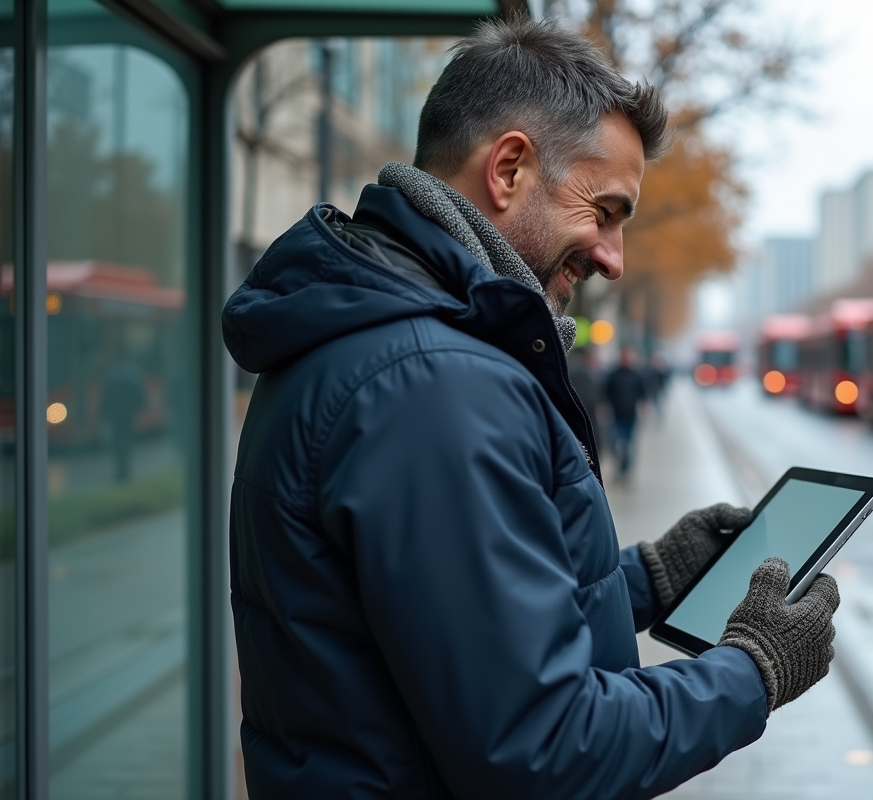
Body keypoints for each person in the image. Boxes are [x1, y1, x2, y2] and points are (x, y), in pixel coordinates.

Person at [223, 18, 838, 800]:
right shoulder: (437, 382)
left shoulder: (389, 343)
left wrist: (646, 578)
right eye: (605, 210)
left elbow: (447, 613)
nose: (614, 259)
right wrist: (752, 670)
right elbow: (541, 748)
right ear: (509, 168)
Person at [605, 346, 648, 481]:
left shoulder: (636, 375)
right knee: (614, 444)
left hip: (631, 416)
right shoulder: (613, 374)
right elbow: (606, 392)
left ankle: (625, 472)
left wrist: (644, 407)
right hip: (616, 415)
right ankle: (618, 468)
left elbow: (643, 394)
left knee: (628, 445)